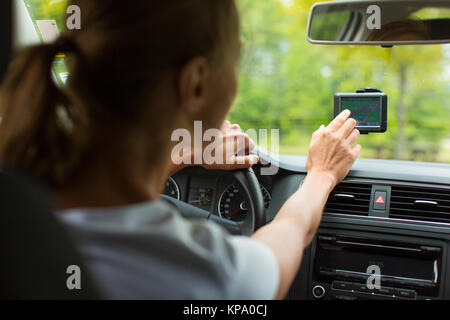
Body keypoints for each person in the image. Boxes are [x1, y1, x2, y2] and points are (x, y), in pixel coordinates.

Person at [0, 0, 361, 299]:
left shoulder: (22, 209)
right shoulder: (201, 273)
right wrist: (321, 175)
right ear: (195, 83)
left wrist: (183, 153)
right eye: (234, 65)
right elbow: (287, 240)